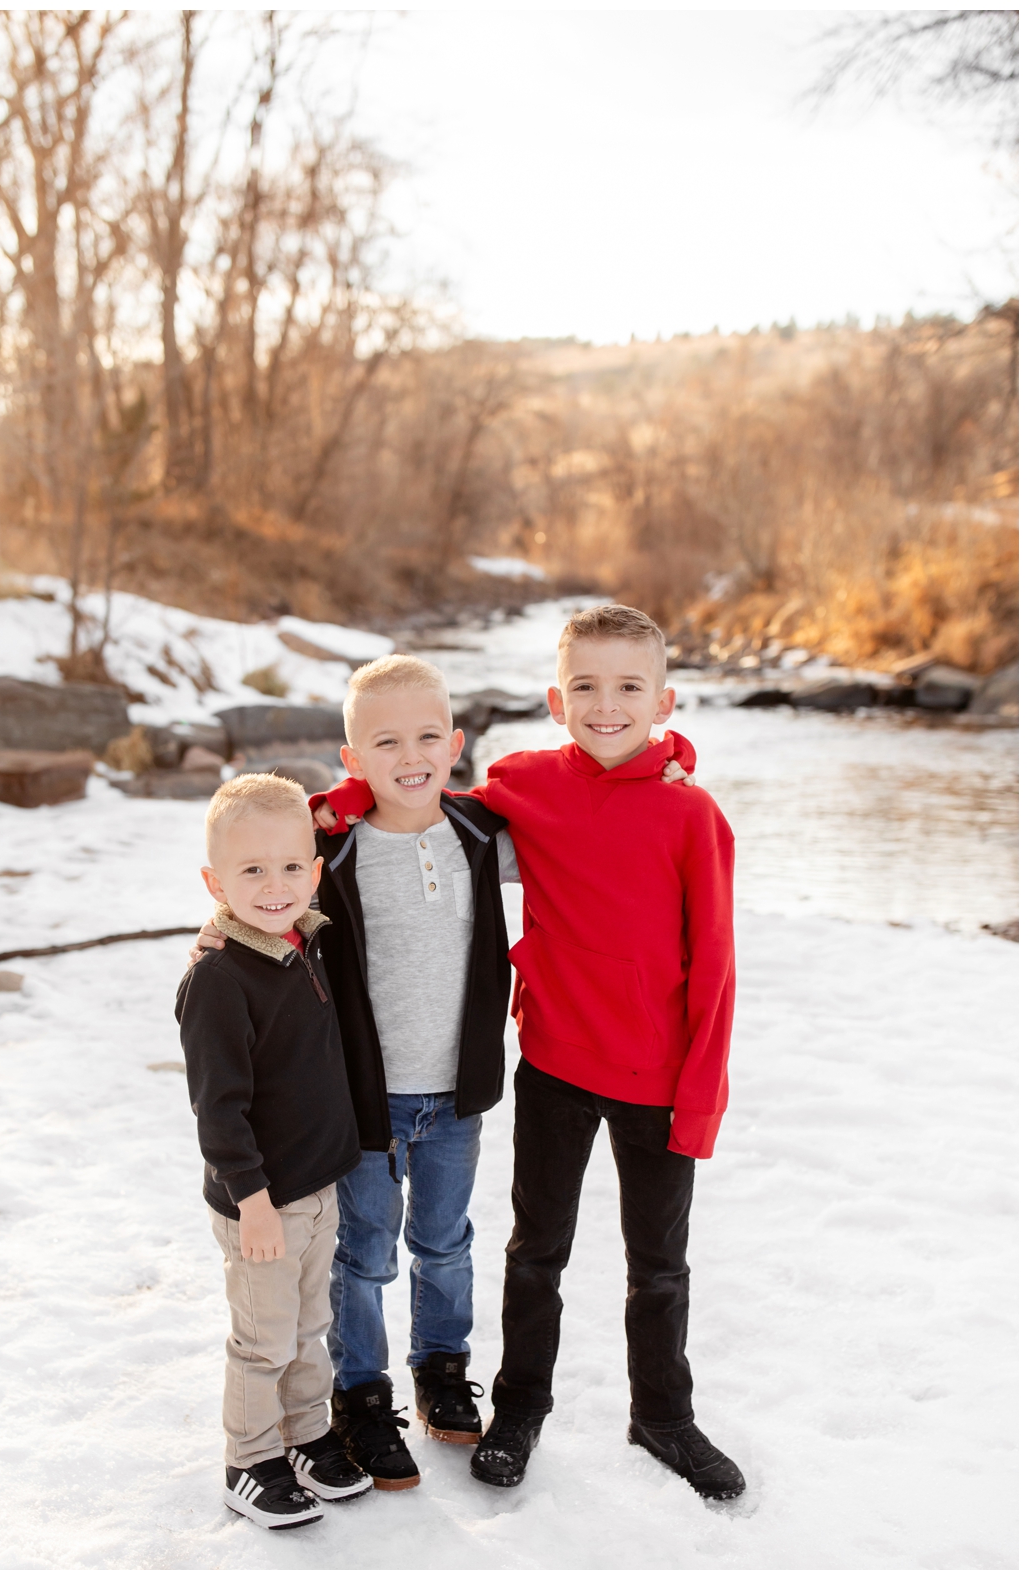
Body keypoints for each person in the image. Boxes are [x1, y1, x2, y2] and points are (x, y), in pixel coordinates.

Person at [308, 604, 743, 1501]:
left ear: (665, 699)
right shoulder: (525, 784)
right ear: (556, 697)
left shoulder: (693, 818)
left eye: (629, 688)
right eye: (586, 686)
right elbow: (429, 803)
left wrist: (700, 1101)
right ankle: (519, 1408)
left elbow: (718, 970)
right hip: (550, 1066)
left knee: (658, 1264)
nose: (606, 705)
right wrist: (346, 801)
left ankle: (662, 1413)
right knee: (534, 1251)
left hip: (658, 1081)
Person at [203, 654, 520, 1491]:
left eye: (427, 736)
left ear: (455, 743)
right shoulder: (331, 851)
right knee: (364, 1256)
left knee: (445, 1244)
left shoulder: (484, 833)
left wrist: (670, 762)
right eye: (385, 741)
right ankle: (360, 1395)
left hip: (458, 1094)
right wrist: (217, 930)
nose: (409, 755)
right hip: (365, 1103)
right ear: (353, 759)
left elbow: (581, 810)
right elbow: (259, 869)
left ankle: (441, 1370)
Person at [175, 774, 373, 1529]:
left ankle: (306, 1437)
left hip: (317, 1192)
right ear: (213, 881)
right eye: (250, 870)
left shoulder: (304, 940)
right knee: (262, 1341)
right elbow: (217, 1110)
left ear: (315, 870)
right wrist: (252, 1201)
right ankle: (249, 1458)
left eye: (291, 866)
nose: (273, 884)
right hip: (260, 1205)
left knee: (307, 1327)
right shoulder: (218, 977)